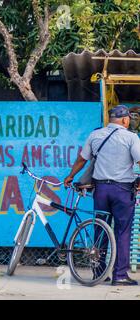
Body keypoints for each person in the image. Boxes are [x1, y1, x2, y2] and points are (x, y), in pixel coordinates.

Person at [64, 104, 140, 286]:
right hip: (122, 190)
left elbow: (82, 159)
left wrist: (71, 176)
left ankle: (99, 272)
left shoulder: (95, 135)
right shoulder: (131, 137)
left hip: (101, 191)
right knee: (122, 231)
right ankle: (120, 275)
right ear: (124, 120)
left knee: (100, 229)